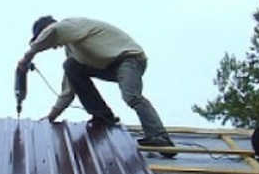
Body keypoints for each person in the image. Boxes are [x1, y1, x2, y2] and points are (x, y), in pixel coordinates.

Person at [17, 15, 176, 156]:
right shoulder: (72, 50)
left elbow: (53, 31)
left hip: (129, 59)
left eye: (43, 39)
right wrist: (51, 117)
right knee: (71, 67)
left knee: (131, 96)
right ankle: (103, 117)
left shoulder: (70, 25)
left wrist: (27, 58)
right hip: (109, 65)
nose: (51, 46)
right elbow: (68, 91)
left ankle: (159, 137)